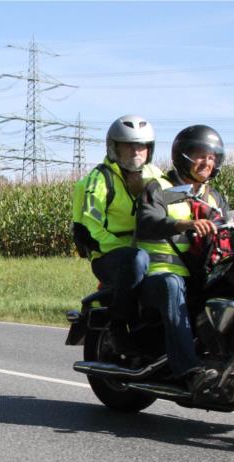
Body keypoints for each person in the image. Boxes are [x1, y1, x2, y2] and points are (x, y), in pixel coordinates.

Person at [136, 124, 229, 394]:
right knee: (172, 285)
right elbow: (146, 221)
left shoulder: (213, 197)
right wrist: (184, 225)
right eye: (201, 155)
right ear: (183, 156)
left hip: (202, 275)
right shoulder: (162, 188)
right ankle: (189, 371)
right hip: (159, 275)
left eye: (212, 157)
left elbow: (229, 228)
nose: (207, 162)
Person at [78, 114, 164, 349]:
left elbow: (174, 206)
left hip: (150, 250)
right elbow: (89, 229)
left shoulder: (156, 175)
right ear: (114, 147)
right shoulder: (99, 180)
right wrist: (126, 248)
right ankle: (120, 326)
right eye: (129, 145)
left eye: (142, 146)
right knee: (136, 259)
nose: (136, 152)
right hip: (109, 254)